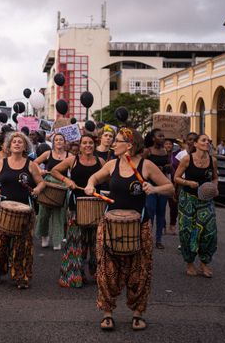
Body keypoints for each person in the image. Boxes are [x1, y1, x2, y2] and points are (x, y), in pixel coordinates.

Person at [85, 127, 173, 331]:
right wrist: (90, 185)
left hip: (139, 225)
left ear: (130, 145)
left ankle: (137, 313)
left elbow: (169, 187)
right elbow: (94, 178)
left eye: (117, 140)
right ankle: (107, 313)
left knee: (139, 271)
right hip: (110, 225)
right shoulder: (111, 164)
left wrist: (154, 189)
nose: (113, 143)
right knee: (107, 270)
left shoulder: (146, 165)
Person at [0, 131, 45, 289]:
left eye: (20, 142)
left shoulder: (30, 164)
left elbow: (41, 183)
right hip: (4, 209)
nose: (17, 144)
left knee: (22, 246)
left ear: (25, 146)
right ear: (9, 145)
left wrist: (37, 190)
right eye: (14, 142)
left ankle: (20, 276)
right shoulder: (1, 163)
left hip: (25, 210)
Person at [51, 134, 106, 288]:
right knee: (76, 241)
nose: (87, 145)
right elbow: (54, 171)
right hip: (76, 206)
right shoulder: (72, 160)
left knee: (96, 243)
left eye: (90, 143)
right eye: (84, 143)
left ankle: (98, 274)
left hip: (96, 206)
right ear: (80, 145)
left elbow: (109, 176)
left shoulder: (100, 161)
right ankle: (75, 275)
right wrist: (67, 180)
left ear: (94, 145)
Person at [174, 134, 219, 278]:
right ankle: (190, 263)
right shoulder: (187, 158)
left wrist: (214, 187)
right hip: (188, 200)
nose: (207, 143)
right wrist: (188, 183)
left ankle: (204, 263)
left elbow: (215, 178)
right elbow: (176, 177)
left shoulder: (213, 160)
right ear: (197, 143)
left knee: (209, 232)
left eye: (208, 141)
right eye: (204, 140)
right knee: (188, 232)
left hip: (205, 200)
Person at [34, 133, 72, 250]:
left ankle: (57, 240)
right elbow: (34, 163)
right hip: (48, 185)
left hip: (61, 186)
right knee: (43, 214)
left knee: (59, 214)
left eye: (61, 139)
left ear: (64, 142)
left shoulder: (69, 155)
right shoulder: (47, 154)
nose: (59, 141)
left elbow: (73, 171)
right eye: (56, 140)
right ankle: (44, 236)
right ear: (53, 142)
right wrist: (40, 170)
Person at [143, 129, 170, 250]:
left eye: (163, 136)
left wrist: (167, 167)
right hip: (150, 185)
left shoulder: (165, 151)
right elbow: (142, 167)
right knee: (150, 211)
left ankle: (159, 239)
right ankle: (148, 238)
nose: (163, 138)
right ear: (153, 138)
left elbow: (169, 166)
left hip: (162, 186)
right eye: (160, 136)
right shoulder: (147, 151)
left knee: (161, 212)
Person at [164, 139, 180, 235]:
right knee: (161, 207)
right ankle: (162, 226)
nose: (168, 145)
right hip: (162, 183)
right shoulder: (160, 154)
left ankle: (172, 225)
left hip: (173, 183)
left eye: (170, 144)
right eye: (166, 143)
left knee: (174, 206)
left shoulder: (176, 155)